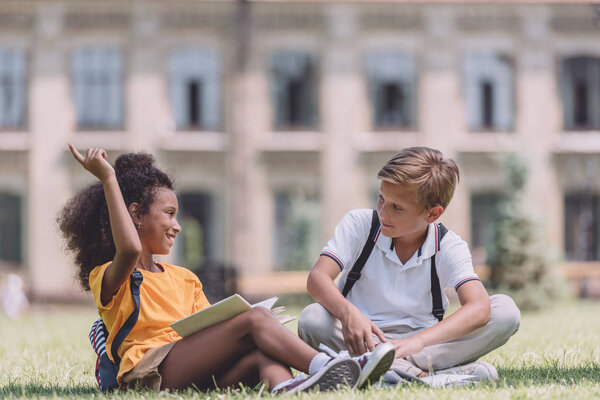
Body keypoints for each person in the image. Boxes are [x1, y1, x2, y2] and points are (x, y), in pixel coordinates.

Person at [57, 144, 394, 393]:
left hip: (189, 365)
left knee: (263, 357)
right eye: (169, 214)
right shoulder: (108, 274)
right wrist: (107, 178)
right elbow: (129, 248)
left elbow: (204, 330)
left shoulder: (185, 278)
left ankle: (292, 388)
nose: (177, 226)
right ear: (135, 214)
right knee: (256, 320)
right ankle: (331, 367)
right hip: (149, 373)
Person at [297, 147, 521, 381]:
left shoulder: (449, 246)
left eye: (397, 208)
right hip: (362, 339)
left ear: (432, 214)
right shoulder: (359, 224)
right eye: (381, 198)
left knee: (506, 312)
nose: (383, 213)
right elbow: (318, 278)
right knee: (312, 319)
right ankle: (427, 377)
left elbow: (479, 308)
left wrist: (416, 342)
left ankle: (389, 370)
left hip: (425, 348)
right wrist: (348, 314)